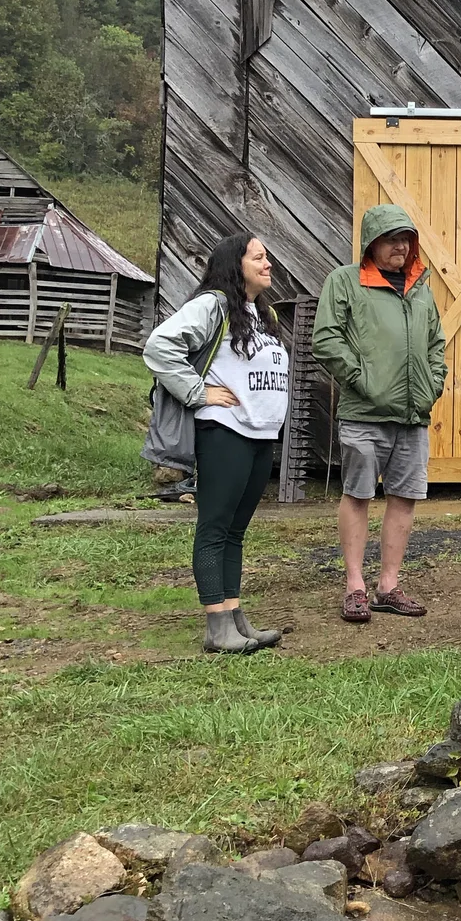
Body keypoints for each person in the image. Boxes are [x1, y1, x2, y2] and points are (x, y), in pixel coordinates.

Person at [143, 233, 288, 653]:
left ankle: (235, 617)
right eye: (259, 257)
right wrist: (198, 391)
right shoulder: (213, 305)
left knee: (236, 532)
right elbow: (160, 345)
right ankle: (216, 625)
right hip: (224, 431)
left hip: (260, 435)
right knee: (214, 528)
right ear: (234, 263)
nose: (268, 264)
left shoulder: (264, 313)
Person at [312, 202, 445, 623]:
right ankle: (355, 586)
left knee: (404, 498)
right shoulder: (345, 282)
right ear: (372, 243)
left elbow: (435, 344)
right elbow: (327, 340)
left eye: (407, 239)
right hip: (364, 415)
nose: (401, 247)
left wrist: (432, 386)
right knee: (358, 496)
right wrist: (362, 379)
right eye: (392, 239)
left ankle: (389, 586)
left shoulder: (421, 287)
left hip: (411, 417)